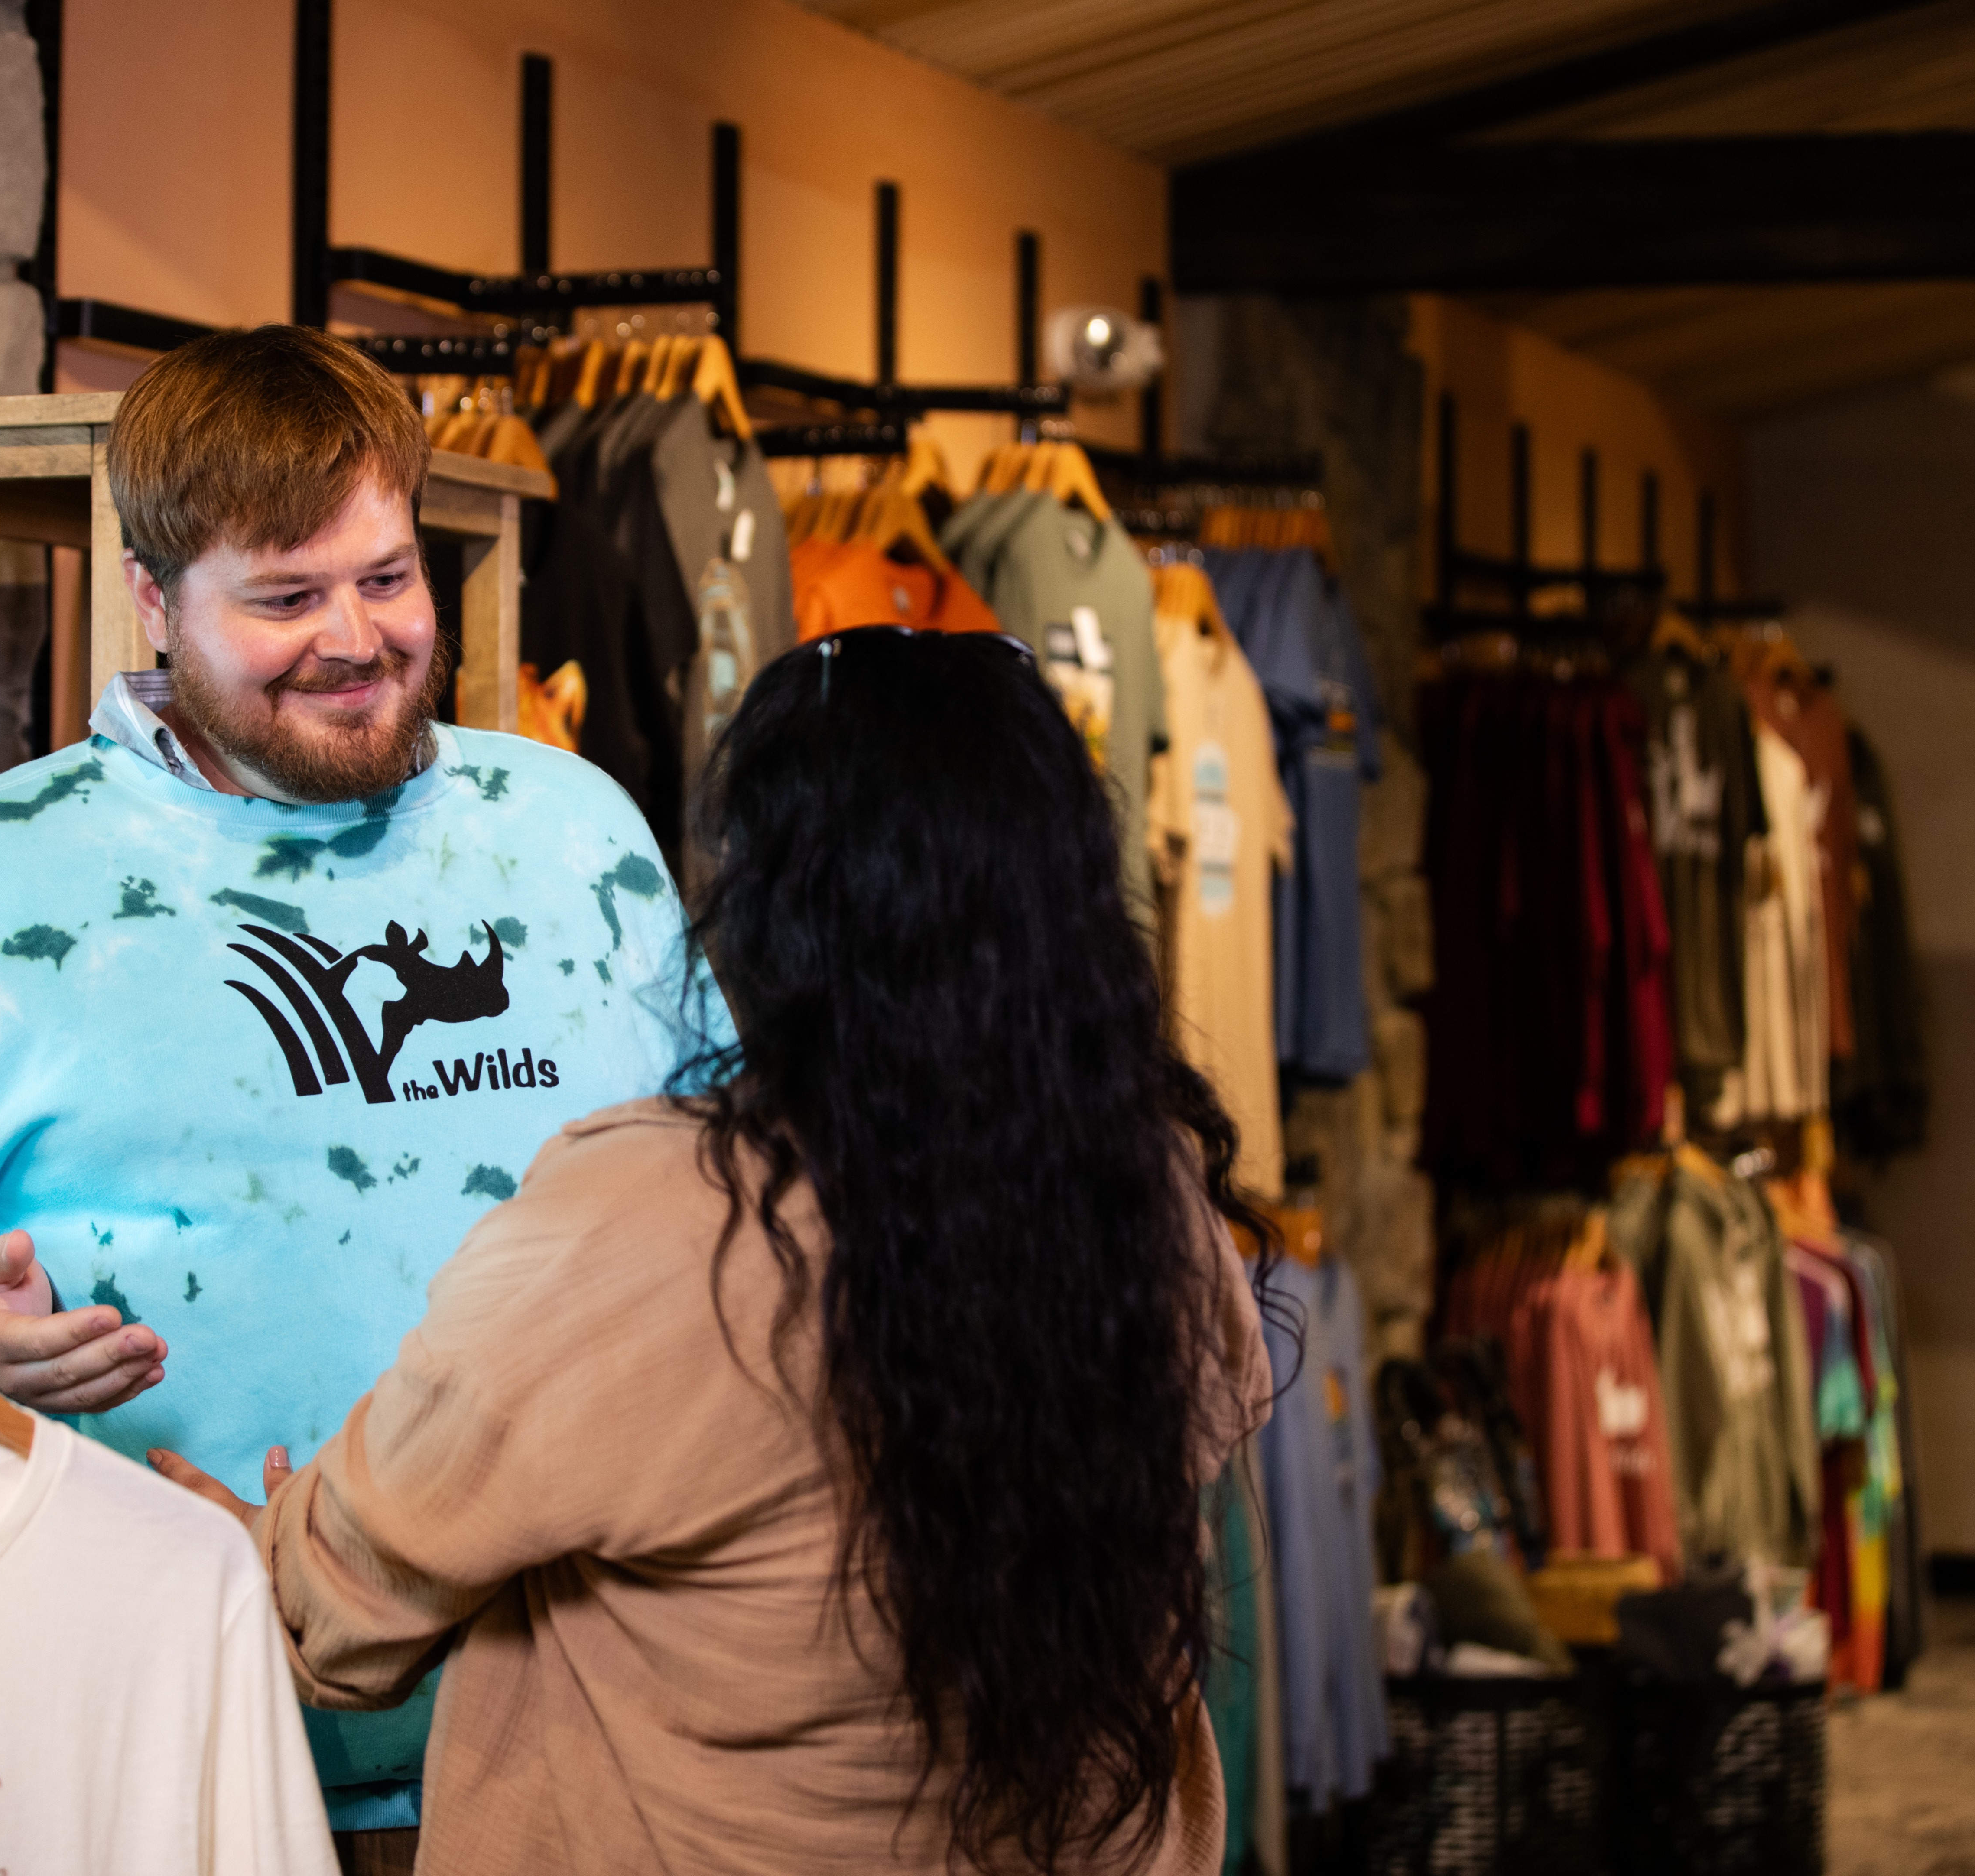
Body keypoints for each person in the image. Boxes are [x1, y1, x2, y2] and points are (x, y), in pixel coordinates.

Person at [0, 325, 721, 1847]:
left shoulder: (578, 832)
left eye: (387, 577)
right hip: (153, 1760)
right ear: (152, 596)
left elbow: (743, 1189)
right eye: (283, 597)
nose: (356, 635)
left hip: (585, 1756)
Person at [153, 627, 1276, 1875]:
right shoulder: (1153, 1201)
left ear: (779, 901)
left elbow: (339, 1609)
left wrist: (224, 1546)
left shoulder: (654, 1217)